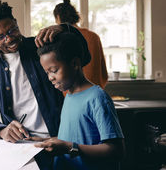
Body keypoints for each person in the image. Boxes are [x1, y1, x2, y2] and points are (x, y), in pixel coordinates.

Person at [0, 0, 90, 169]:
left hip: (60, 139)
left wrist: (64, 29)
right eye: (0, 37)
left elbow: (84, 57)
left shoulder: (41, 47)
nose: (9, 39)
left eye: (12, 30)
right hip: (23, 148)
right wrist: (2, 130)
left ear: (15, 21)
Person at [33, 32, 125, 170]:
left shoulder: (97, 98)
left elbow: (116, 150)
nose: (50, 77)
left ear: (75, 63)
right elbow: (76, 136)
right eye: (47, 72)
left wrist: (69, 148)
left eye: (54, 70)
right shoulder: (69, 96)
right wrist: (45, 141)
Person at [53, 0, 108, 89]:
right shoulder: (94, 37)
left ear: (58, 17)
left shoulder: (60, 38)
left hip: (69, 94)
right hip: (94, 91)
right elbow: (103, 73)